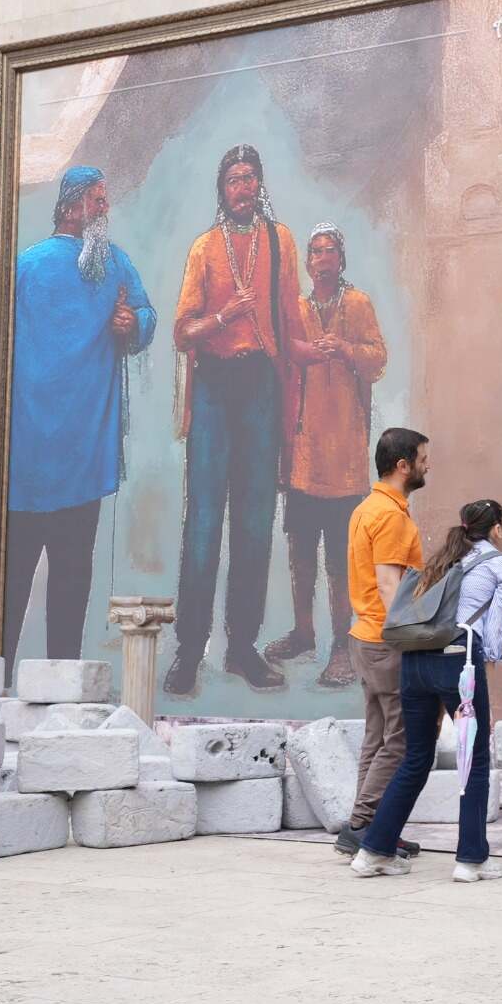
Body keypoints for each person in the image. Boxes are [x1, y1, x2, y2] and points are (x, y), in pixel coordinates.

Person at [165, 144, 316, 696]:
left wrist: (303, 383)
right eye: (233, 179)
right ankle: (188, 652)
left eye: (250, 178)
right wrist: (224, 317)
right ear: (221, 189)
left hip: (259, 387)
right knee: (203, 521)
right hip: (212, 388)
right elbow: (182, 331)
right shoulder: (205, 248)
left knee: (254, 523)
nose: (242, 188)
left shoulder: (280, 241)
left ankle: (242, 648)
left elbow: (289, 317)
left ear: (260, 184)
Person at [4, 166, 156, 680]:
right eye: (96, 200)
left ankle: (61, 684)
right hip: (26, 454)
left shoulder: (111, 264)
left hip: (82, 453)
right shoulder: (27, 266)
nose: (104, 208)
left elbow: (145, 314)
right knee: (13, 580)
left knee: (72, 576)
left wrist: (131, 322)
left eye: (105, 199)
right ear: (71, 207)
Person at [351, 500, 502, 881]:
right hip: (458, 659)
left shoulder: (442, 561)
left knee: (415, 757)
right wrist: (487, 659)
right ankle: (471, 859)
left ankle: (373, 851)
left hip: (414, 663)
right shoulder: (501, 565)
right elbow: (498, 621)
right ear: (497, 529)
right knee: (473, 759)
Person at [263, 223, 389, 687]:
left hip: (345, 458)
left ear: (341, 258)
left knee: (341, 557)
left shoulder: (356, 304)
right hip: (302, 455)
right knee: (299, 549)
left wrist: (346, 349)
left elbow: (378, 358)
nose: (321, 259)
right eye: (314, 252)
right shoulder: (295, 307)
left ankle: (342, 642)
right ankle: (303, 632)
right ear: (308, 262)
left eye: (329, 250)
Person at [332, 428, 428, 858]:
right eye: (423, 458)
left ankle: (367, 824)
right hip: (386, 641)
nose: (428, 465)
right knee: (402, 740)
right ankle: (365, 827)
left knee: (377, 737)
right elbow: (391, 586)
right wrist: (417, 638)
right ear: (403, 465)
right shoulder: (390, 515)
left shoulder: (366, 508)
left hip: (364, 637)